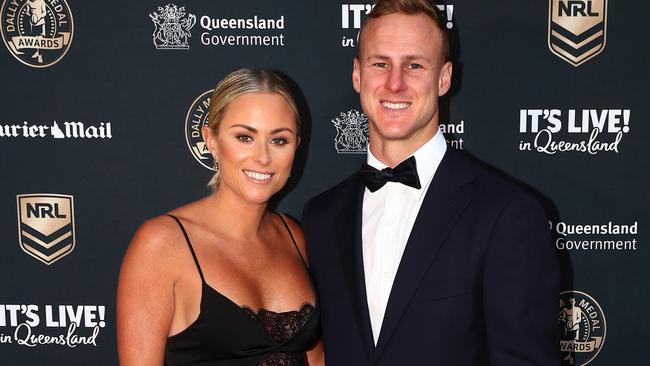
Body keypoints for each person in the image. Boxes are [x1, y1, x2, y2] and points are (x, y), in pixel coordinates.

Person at [301, 1, 560, 365]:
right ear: (358, 74)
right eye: (380, 64)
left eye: (414, 65)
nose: (395, 83)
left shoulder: (508, 215)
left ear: (444, 78)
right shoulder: (321, 217)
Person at [117, 69, 322, 366]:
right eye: (244, 137)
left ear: (296, 147)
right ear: (211, 140)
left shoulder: (295, 237)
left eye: (279, 140)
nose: (263, 157)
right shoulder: (163, 244)